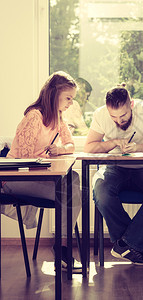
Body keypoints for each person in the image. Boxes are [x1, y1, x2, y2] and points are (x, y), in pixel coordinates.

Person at [84, 83, 143, 265]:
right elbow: (89, 147)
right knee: (100, 192)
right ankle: (134, 246)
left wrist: (140, 147)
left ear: (131, 104)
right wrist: (114, 142)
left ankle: (125, 245)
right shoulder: (100, 114)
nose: (119, 120)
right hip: (113, 168)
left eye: (123, 115)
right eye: (114, 116)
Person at [2, 71, 82, 273]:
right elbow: (27, 160)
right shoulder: (34, 116)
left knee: (74, 178)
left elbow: (71, 145)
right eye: (68, 98)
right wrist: (46, 159)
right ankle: (63, 249)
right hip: (15, 178)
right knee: (68, 194)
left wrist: (59, 150)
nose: (71, 103)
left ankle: (62, 247)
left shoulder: (57, 118)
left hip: (37, 174)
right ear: (54, 94)